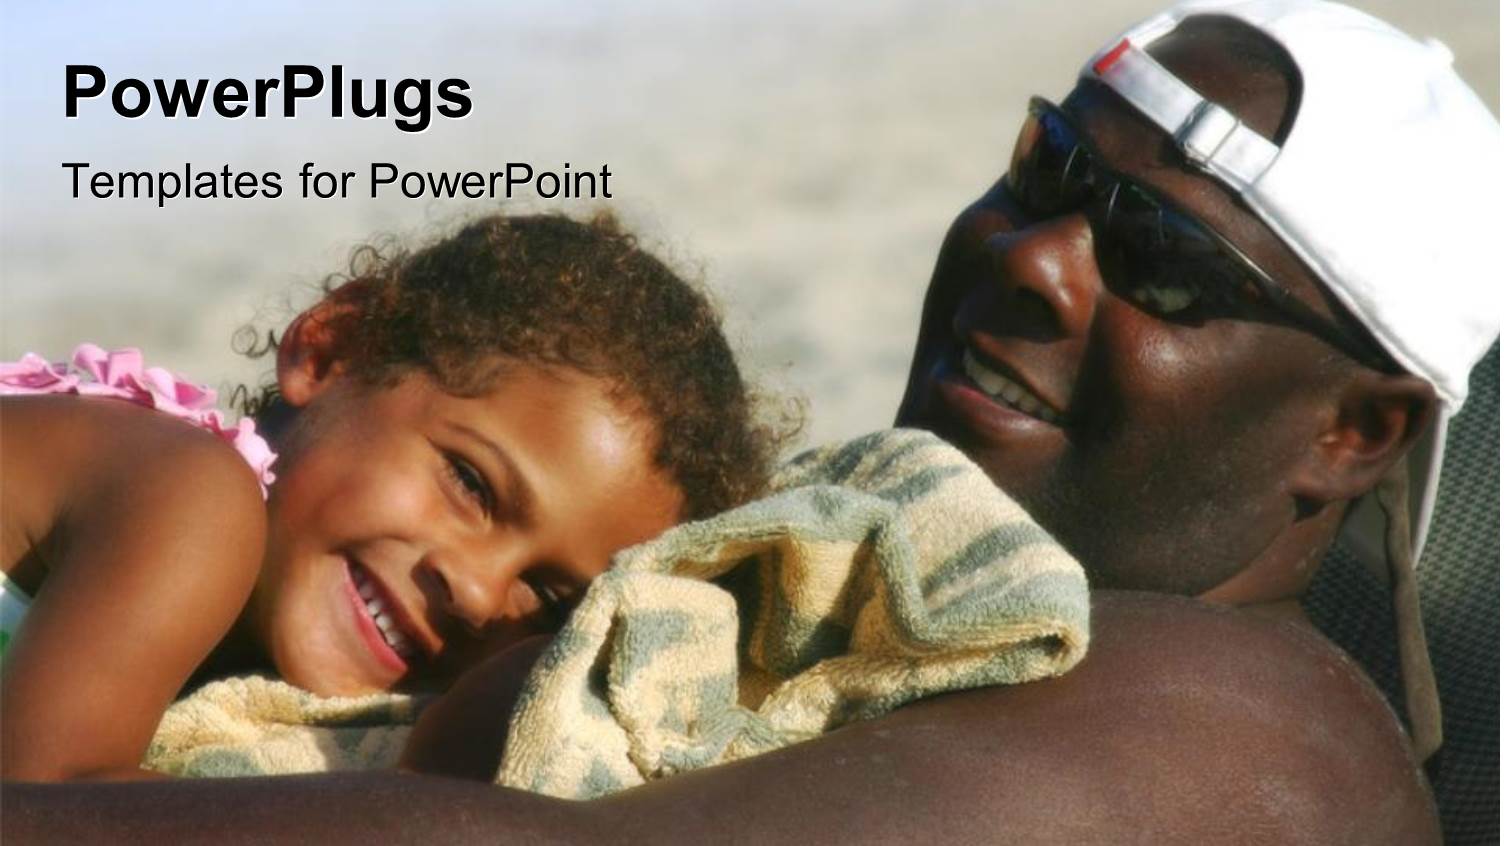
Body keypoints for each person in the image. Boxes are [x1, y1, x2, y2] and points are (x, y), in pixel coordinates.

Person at [3, 1, 1496, 842]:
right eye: (1046, 172)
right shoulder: (887, 581)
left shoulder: (1239, 737)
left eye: (1162, 264)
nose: (1034, 259)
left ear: (1355, 433)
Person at [0, 212, 784, 782]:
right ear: (332, 350)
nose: (479, 593)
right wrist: (420, 805)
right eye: (470, 483)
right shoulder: (190, 498)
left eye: (548, 598)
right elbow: (48, 807)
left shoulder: (223, 651)